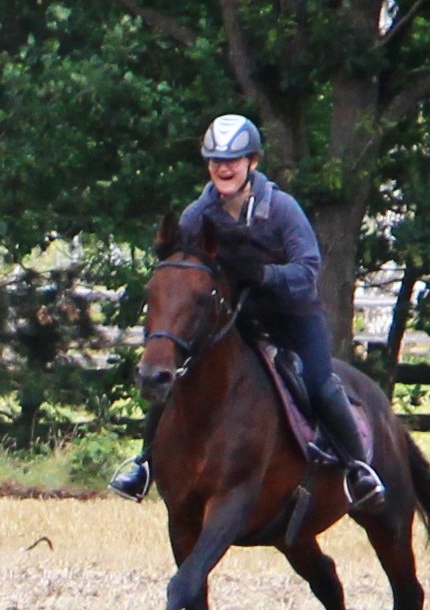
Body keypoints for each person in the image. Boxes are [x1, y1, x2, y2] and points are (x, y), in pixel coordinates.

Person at [109, 114, 386, 511]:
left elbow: (308, 270)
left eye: (233, 160)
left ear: (252, 162)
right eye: (216, 161)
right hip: (236, 318)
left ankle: (358, 469)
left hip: (292, 316)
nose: (224, 168)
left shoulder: (282, 210)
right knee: (174, 373)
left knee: (320, 383)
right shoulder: (196, 214)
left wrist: (260, 274)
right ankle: (144, 463)